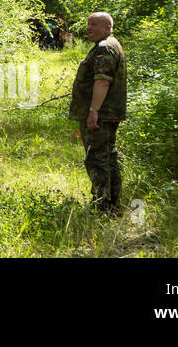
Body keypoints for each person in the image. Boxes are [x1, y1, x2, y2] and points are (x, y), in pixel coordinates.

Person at [67, 12, 126, 214]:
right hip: (107, 113)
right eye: (88, 24)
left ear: (107, 28)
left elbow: (102, 81)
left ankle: (101, 207)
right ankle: (113, 204)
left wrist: (94, 111)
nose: (89, 28)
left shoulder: (105, 48)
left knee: (97, 159)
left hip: (101, 115)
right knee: (108, 157)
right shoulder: (110, 45)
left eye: (95, 25)